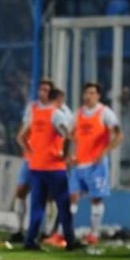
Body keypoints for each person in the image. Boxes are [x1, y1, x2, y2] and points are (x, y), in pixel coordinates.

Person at [19, 88, 79, 251]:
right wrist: (65, 155)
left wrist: (32, 152)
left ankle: (29, 240)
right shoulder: (56, 114)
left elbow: (22, 137)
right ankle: (70, 240)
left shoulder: (35, 113)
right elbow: (67, 135)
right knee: (63, 204)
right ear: (58, 99)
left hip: (36, 166)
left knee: (37, 205)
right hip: (53, 166)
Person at [69, 82, 122, 244]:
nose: (88, 96)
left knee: (96, 199)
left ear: (98, 95)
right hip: (79, 164)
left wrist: (104, 152)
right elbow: (69, 135)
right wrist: (69, 154)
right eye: (86, 93)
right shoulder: (77, 114)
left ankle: (94, 233)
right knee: (72, 198)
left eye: (92, 93)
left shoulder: (105, 113)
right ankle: (65, 232)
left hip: (96, 165)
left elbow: (119, 136)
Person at [11, 79, 54, 242]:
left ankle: (47, 232)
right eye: (42, 89)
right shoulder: (32, 108)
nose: (44, 92)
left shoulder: (58, 110)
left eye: (47, 90)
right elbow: (22, 134)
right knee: (21, 192)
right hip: (31, 160)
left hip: (49, 161)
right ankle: (19, 229)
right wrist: (29, 149)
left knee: (49, 196)